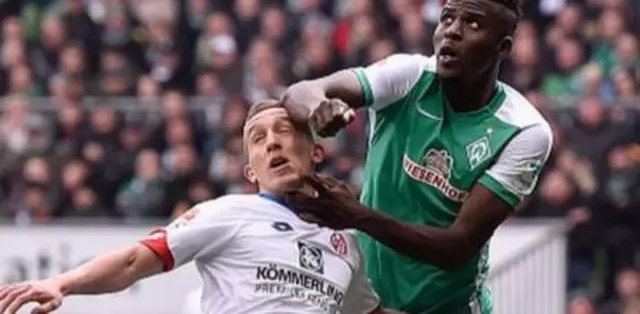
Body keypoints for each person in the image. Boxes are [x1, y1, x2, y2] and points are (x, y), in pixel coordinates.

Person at [282, 0, 553, 314]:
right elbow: (299, 92)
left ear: (504, 48)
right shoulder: (408, 76)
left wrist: (358, 216)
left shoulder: (524, 131)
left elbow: (456, 247)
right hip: (371, 305)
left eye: (472, 24)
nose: (452, 30)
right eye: (447, 18)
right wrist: (320, 107)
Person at [0, 99, 399, 314]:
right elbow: (133, 262)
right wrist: (60, 284)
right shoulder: (226, 214)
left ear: (316, 151)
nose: (272, 143)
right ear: (250, 172)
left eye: (283, 130)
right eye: (258, 139)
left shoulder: (347, 246)